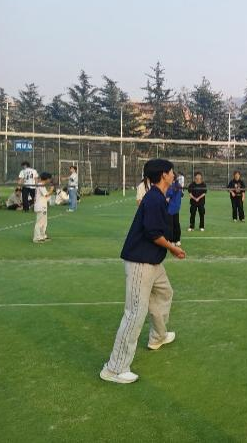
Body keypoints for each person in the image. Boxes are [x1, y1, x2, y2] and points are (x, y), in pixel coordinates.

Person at [100, 159, 186, 384]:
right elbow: (153, 234)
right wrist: (173, 248)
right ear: (164, 174)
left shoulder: (159, 196)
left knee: (164, 293)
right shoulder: (154, 198)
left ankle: (158, 336)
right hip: (141, 263)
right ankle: (114, 368)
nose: (174, 175)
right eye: (171, 172)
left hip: (153, 262)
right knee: (135, 313)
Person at [32, 172, 54, 243]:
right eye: (49, 179)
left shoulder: (42, 185)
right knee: (39, 222)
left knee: (44, 222)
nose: (50, 180)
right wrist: (51, 190)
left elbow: (45, 196)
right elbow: (46, 194)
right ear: (46, 179)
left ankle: (42, 236)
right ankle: (36, 238)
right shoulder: (40, 185)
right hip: (40, 206)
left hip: (43, 206)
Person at [166, 173, 184, 247]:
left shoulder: (171, 186)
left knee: (171, 225)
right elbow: (182, 195)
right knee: (176, 224)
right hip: (177, 207)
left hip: (170, 208)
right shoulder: (178, 185)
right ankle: (177, 240)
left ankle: (172, 240)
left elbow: (167, 198)